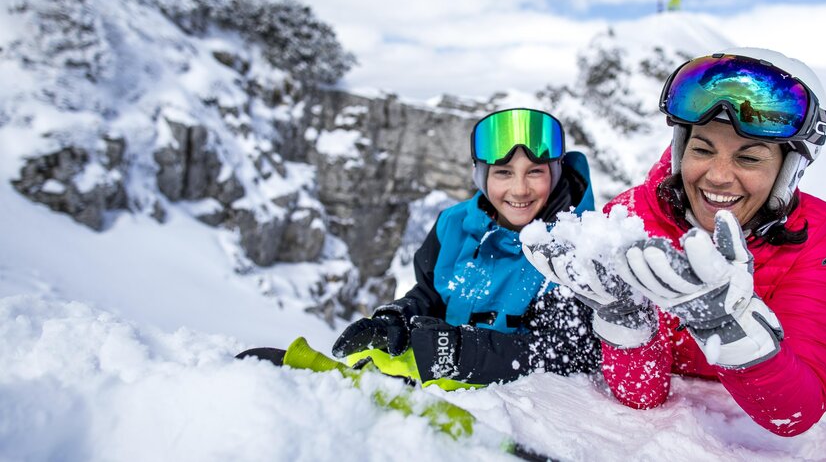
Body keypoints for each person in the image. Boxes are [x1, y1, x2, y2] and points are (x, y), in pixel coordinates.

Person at [524, 48, 826, 436]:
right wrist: (626, 324)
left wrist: (730, 330)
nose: (717, 176)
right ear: (682, 151)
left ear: (788, 170)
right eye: (702, 149)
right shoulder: (631, 216)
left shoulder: (818, 235)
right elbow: (641, 399)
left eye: (749, 159)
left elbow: (797, 412)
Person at [240, 108, 600, 388]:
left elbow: (568, 354)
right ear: (482, 176)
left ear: (554, 174)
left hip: (520, 405)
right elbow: (430, 294)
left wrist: (458, 351)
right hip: (436, 381)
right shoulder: (454, 226)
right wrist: (397, 319)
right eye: (503, 172)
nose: (519, 190)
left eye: (534, 171)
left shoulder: (577, 248)